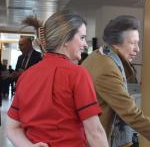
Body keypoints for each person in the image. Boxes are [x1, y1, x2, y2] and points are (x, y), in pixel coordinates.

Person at [6, 11, 109, 147]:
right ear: (66, 39)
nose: (85, 44)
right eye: (82, 37)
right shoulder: (77, 74)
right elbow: (95, 133)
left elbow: (12, 128)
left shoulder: (26, 75)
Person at [82, 15, 150, 147]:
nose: (137, 49)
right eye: (133, 43)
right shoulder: (108, 69)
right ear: (116, 44)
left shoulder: (98, 56)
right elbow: (130, 113)